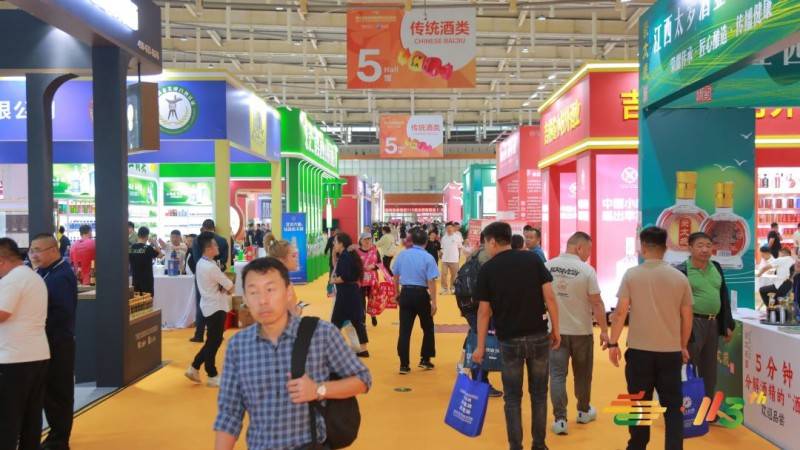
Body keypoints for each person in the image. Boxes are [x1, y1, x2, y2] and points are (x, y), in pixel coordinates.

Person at [213, 257, 372, 450]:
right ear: (245, 298)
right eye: (253, 292)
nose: (262, 300)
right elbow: (229, 415)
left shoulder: (321, 334)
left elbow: (363, 379)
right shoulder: (237, 347)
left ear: (288, 292)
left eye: (270, 289)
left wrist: (318, 390)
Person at [472, 222, 560, 450]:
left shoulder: (488, 269)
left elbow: (483, 312)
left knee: (512, 398)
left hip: (509, 340)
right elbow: (550, 297)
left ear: (492, 241)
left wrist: (480, 346)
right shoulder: (532, 259)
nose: (486, 247)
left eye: (486, 242)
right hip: (538, 335)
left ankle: (516, 446)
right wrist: (556, 329)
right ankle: (539, 444)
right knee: (539, 394)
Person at [608, 226, 693, 450]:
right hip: (670, 353)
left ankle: (637, 445)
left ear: (643, 246)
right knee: (673, 406)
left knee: (639, 404)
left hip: (640, 352)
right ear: (665, 248)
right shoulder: (680, 278)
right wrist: (683, 345)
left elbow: (620, 313)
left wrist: (613, 343)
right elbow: (687, 317)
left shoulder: (632, 275)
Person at [545, 232, 608, 435]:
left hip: (555, 331)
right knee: (583, 374)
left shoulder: (548, 266)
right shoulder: (587, 270)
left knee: (557, 375)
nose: (589, 254)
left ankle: (560, 420)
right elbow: (596, 303)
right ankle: (583, 411)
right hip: (581, 332)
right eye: (588, 250)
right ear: (579, 248)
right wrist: (604, 330)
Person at [29, 234, 78, 450]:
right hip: (46, 341)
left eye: (38, 250)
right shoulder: (44, 272)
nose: (34, 255)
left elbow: (61, 313)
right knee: (48, 392)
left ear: (53, 250)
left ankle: (59, 439)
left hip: (58, 342)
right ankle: (55, 435)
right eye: (32, 250)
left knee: (59, 392)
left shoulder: (61, 276)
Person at [0, 238, 50, 450]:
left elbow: (2, 313)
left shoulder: (12, 280)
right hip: (36, 354)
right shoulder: (33, 276)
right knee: (31, 416)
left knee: (7, 418)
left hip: (14, 358)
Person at [674, 232, 735, 400]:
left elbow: (723, 296)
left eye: (708, 246)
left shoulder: (716, 267)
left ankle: (707, 406)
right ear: (690, 248)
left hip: (713, 323)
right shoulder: (682, 270)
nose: (705, 250)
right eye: (700, 245)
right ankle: (686, 406)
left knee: (709, 369)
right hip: (691, 323)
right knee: (688, 365)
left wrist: (727, 324)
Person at [186, 232, 234, 388]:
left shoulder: (202, 262)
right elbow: (230, 286)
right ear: (208, 249)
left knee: (213, 340)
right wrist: (226, 287)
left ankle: (195, 367)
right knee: (214, 342)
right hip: (216, 307)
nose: (217, 246)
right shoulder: (211, 267)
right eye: (214, 244)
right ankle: (211, 373)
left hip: (209, 305)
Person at [392, 227, 439, 374]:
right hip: (421, 295)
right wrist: (434, 302)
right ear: (426, 242)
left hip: (405, 293)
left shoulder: (402, 255)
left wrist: (396, 293)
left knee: (404, 330)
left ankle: (404, 364)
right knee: (428, 327)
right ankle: (425, 359)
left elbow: (395, 276)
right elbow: (431, 281)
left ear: (411, 241)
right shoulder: (428, 257)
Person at [188, 219, 230, 343]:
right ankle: (218, 333)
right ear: (214, 228)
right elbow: (225, 260)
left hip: (202, 274)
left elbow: (196, 259)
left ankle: (199, 334)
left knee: (201, 302)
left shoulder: (197, 241)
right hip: (218, 274)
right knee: (219, 302)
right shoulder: (222, 240)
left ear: (203, 227)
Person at [331, 233, 370, 357]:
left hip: (345, 294)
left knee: (336, 321)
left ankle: (333, 348)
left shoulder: (345, 257)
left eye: (335, 242)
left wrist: (333, 281)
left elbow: (345, 276)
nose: (333, 244)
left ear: (341, 244)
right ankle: (363, 349)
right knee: (357, 321)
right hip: (352, 292)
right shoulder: (349, 255)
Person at [267, 239, 302, 315]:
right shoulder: (284, 285)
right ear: (281, 260)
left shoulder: (271, 280)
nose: (297, 259)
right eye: (293, 256)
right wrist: (299, 309)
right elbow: (293, 315)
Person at [356, 233, 381, 327]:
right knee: (361, 301)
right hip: (361, 280)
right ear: (360, 241)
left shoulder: (375, 251)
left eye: (369, 239)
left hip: (373, 280)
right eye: (365, 239)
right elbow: (353, 265)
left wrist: (373, 266)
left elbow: (380, 264)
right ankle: (363, 320)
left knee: (372, 299)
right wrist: (361, 268)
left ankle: (373, 315)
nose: (367, 241)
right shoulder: (356, 252)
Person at [129, 226, 162, 295]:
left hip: (135, 280)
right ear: (147, 236)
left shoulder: (131, 248)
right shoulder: (148, 248)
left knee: (137, 300)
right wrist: (155, 243)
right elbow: (160, 255)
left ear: (138, 235)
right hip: (147, 281)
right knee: (148, 300)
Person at [440, 222, 463, 295]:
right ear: (445, 229)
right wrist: (441, 253)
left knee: (454, 275)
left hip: (454, 259)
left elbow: (460, 247)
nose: (449, 229)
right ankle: (444, 289)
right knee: (443, 274)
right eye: (447, 228)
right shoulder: (444, 238)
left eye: (450, 227)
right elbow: (442, 248)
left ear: (453, 228)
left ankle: (452, 288)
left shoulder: (457, 237)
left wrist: (459, 257)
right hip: (445, 259)